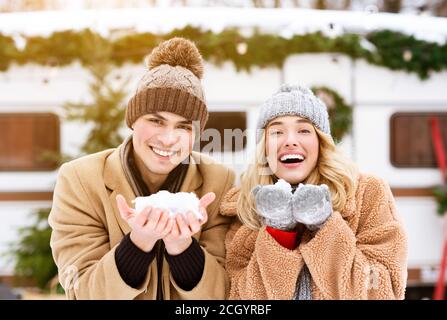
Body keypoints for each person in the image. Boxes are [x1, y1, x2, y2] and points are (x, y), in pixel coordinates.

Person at [49, 37, 235, 300]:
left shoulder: (219, 181)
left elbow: (224, 294)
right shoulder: (80, 179)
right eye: (156, 121)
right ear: (133, 120)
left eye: (183, 126)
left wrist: (182, 246)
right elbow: (82, 291)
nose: (169, 138)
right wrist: (139, 243)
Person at [220, 84, 408, 299]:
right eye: (277, 131)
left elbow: (381, 291)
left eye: (303, 130)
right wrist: (279, 233)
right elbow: (239, 298)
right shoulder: (244, 208)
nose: (290, 140)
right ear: (264, 146)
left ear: (321, 142)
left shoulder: (366, 194)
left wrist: (324, 225)